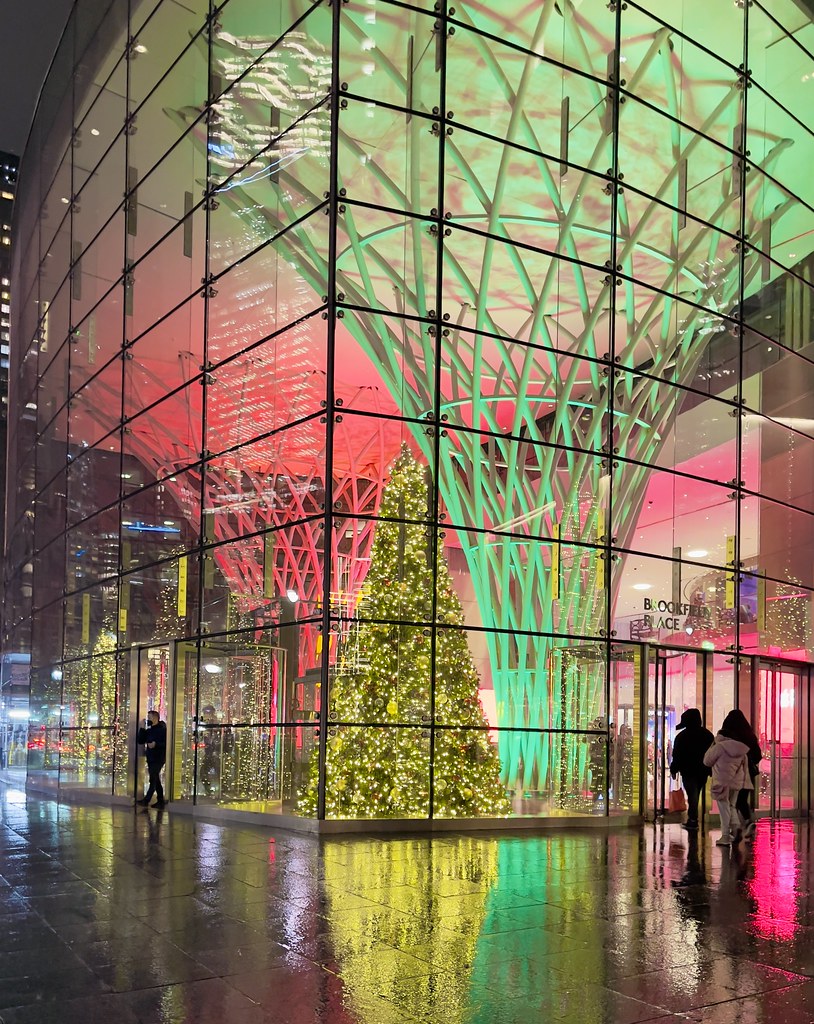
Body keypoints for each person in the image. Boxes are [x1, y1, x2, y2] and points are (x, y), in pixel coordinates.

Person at [704, 713, 752, 846]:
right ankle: (735, 827)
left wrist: (713, 744)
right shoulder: (741, 748)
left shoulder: (719, 747)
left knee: (723, 807)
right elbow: (744, 767)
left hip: (721, 782)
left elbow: (706, 761)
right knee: (731, 805)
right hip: (736, 783)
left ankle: (725, 835)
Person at [719, 709, 761, 841]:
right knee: (742, 799)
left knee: (733, 801)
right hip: (749, 772)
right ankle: (747, 822)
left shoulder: (729, 737)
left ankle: (742, 825)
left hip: (734, 772)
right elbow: (758, 755)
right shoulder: (750, 735)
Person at [670, 708, 714, 831]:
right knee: (696, 792)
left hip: (688, 770)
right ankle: (692, 818)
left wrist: (674, 769)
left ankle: (693, 819)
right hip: (702, 770)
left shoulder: (682, 737)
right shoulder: (707, 735)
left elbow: (677, 755)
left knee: (692, 793)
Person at [137, 710, 167, 808]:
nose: (148, 719)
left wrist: (156, 744)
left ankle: (147, 800)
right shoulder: (149, 730)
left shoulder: (162, 730)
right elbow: (140, 740)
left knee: (153, 778)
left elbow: (166, 743)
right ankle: (160, 800)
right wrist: (142, 728)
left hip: (159, 757)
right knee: (155, 778)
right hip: (151, 757)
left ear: (155, 718)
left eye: (150, 717)